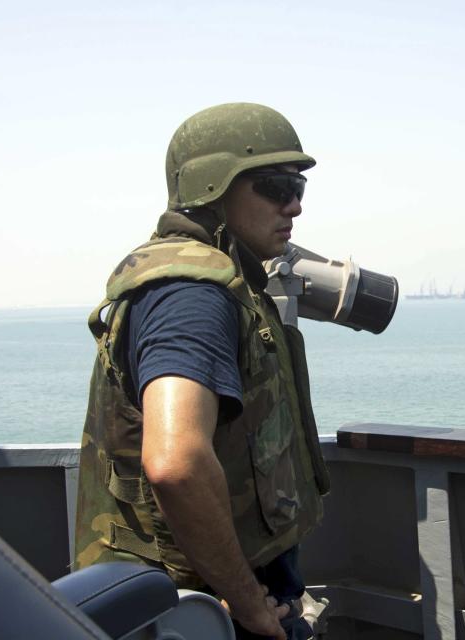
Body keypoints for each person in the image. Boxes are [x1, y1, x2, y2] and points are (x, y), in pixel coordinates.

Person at [73, 103, 330, 640]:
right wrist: (248, 603)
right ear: (212, 187)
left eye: (299, 188)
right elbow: (176, 463)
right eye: (276, 186)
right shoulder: (191, 294)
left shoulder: (225, 281)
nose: (295, 206)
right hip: (195, 601)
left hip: (216, 584)